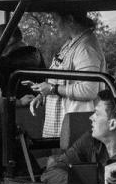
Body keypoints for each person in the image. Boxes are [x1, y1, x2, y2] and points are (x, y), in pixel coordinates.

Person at [29, 9, 106, 148]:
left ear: (70, 19)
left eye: (55, 19)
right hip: (63, 125)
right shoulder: (71, 44)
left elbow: (89, 90)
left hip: (75, 126)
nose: (54, 24)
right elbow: (60, 80)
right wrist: (43, 94)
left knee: (65, 167)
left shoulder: (86, 48)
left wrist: (53, 89)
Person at [41, 92, 116, 184]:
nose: (91, 118)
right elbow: (50, 173)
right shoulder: (90, 140)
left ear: (112, 124)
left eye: (96, 113)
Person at [0, 22, 44, 99]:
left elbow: (7, 63)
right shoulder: (10, 56)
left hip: (28, 106)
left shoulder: (30, 53)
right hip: (17, 104)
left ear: (9, 40)